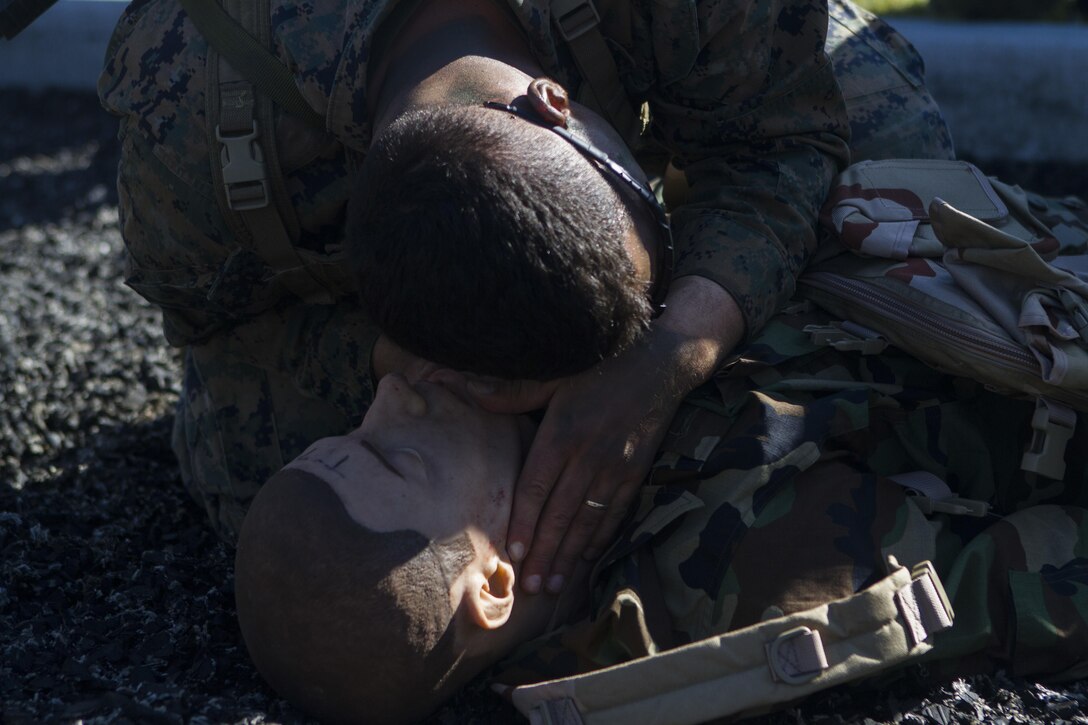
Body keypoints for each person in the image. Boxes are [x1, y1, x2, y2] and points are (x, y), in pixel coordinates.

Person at [97, 0, 954, 595]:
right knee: (285, 487)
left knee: (903, 169)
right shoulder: (187, 137)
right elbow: (214, 323)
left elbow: (778, 139)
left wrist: (672, 355)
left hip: (686, 50)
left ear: (558, 103)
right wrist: (400, 371)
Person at [234, 312, 1088, 723]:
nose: (389, 394)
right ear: (491, 581)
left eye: (354, 430)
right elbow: (1019, 579)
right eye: (396, 455)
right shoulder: (727, 580)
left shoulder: (526, 412)